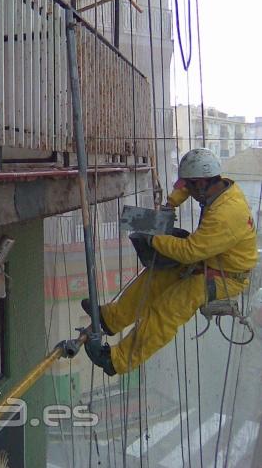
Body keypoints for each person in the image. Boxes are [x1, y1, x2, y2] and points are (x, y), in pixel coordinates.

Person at [82, 148, 258, 376]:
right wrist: (170, 205)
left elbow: (189, 252)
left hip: (226, 277)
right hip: (210, 262)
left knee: (167, 310)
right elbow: (184, 188)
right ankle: (111, 319)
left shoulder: (227, 213)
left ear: (201, 183)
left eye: (189, 186)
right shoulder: (216, 188)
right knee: (155, 278)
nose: (188, 192)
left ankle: (116, 361)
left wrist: (155, 238)